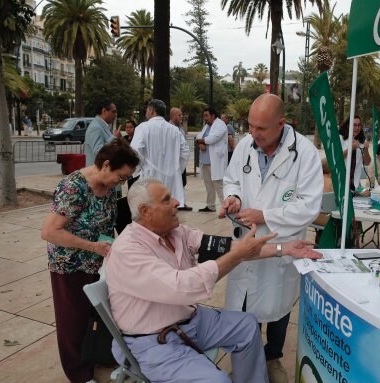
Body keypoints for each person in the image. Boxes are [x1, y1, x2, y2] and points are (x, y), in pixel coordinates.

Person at [105, 178, 322, 383]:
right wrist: (237, 256)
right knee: (216, 380)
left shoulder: (175, 232)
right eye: (166, 199)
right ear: (145, 211)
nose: (177, 202)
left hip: (190, 321)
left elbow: (227, 248)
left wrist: (283, 248)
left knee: (246, 325)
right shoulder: (128, 250)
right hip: (154, 341)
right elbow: (182, 286)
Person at [221, 94, 323, 383]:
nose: (253, 134)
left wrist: (264, 215)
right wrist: (233, 197)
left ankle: (273, 355)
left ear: (281, 123)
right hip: (247, 240)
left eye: (261, 129)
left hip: (282, 241)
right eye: (250, 126)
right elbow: (231, 179)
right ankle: (244, 356)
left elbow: (309, 206)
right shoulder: (246, 145)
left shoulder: (303, 153)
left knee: (278, 305)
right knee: (241, 304)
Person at [41, 139, 140, 383]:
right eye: (121, 176)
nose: (123, 182)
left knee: (95, 314)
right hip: (70, 264)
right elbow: (49, 231)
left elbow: (113, 220)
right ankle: (79, 374)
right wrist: (92, 246)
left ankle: (96, 355)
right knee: (72, 321)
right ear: (106, 165)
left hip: (96, 261)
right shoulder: (74, 187)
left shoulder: (110, 185)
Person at [130, 99, 191, 211]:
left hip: (150, 177)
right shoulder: (175, 130)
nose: (146, 112)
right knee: (169, 211)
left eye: (147, 110)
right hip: (171, 179)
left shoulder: (143, 128)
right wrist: (176, 169)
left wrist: (137, 170)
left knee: (151, 210)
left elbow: (135, 151)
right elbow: (185, 152)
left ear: (152, 111)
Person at [196, 108, 228, 212]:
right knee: (208, 185)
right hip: (205, 161)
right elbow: (199, 136)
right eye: (204, 116)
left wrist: (200, 141)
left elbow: (212, 138)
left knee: (219, 185)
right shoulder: (206, 126)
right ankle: (210, 205)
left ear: (213, 115)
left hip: (215, 161)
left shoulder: (221, 125)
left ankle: (226, 207)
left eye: (206, 115)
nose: (204, 118)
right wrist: (200, 142)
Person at [84, 99, 122, 166]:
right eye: (113, 112)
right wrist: (114, 138)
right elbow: (98, 152)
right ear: (104, 111)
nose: (116, 115)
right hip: (97, 172)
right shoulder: (95, 127)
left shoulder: (103, 126)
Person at [338, 115, 371, 190]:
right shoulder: (340, 138)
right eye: (354, 125)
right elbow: (337, 158)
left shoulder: (362, 140)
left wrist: (366, 150)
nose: (357, 128)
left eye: (359, 125)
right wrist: (351, 148)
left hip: (355, 184)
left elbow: (367, 163)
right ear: (348, 126)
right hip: (341, 182)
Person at [169, 107, 192, 211]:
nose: (181, 117)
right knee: (175, 182)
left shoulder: (180, 128)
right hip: (173, 161)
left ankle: (181, 201)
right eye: (179, 115)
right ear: (173, 116)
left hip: (181, 159)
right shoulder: (169, 128)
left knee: (182, 181)